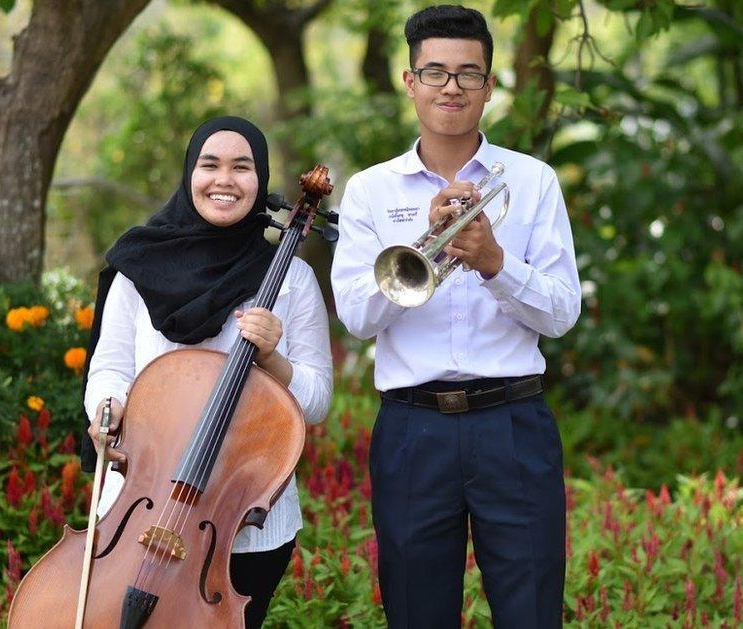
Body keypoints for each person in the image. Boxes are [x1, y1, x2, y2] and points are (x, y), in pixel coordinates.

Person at [331, 5, 581, 628]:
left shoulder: (533, 181)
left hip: (514, 424)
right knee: (417, 613)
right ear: (409, 81)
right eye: (435, 72)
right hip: (414, 430)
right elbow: (358, 318)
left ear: (490, 87)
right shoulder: (370, 190)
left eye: (469, 74)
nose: (452, 86)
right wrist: (425, 242)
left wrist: (497, 262)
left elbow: (562, 313)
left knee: (531, 611)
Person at [80, 116, 333, 628]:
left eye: (242, 167)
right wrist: (108, 408)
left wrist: (274, 360)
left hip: (243, 521)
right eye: (209, 164)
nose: (224, 179)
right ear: (188, 173)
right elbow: (108, 368)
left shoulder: (291, 279)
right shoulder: (138, 265)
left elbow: (318, 400)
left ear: (260, 181)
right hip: (139, 507)